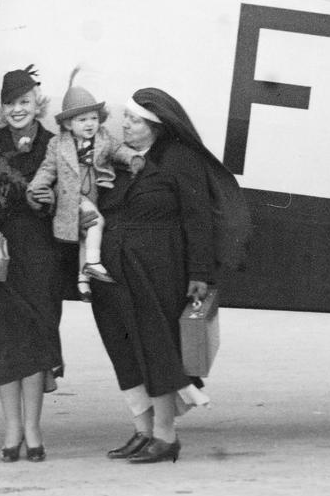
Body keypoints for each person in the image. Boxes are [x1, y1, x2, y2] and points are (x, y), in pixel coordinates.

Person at [89, 88, 251, 465]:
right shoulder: (120, 160)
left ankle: (166, 435)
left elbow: (198, 219)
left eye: (133, 120)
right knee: (124, 352)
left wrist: (199, 272)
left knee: (156, 350)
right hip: (114, 273)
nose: (124, 124)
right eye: (125, 118)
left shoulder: (180, 160)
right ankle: (143, 430)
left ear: (155, 126)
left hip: (158, 270)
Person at [0, 66, 71, 462]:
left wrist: (46, 205)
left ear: (38, 105)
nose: (18, 110)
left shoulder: (53, 144)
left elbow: (66, 201)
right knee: (7, 341)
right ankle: (11, 429)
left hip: (39, 254)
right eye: (11, 103)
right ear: (2, 107)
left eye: (26, 102)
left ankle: (32, 430)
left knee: (33, 340)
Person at [27, 72, 141, 300]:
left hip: (94, 190)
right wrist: (34, 188)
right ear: (68, 124)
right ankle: (93, 263)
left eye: (93, 118)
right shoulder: (58, 144)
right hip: (72, 195)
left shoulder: (104, 137)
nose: (89, 124)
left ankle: (83, 282)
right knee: (96, 221)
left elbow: (118, 150)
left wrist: (133, 158)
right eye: (82, 120)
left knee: (86, 236)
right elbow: (48, 169)